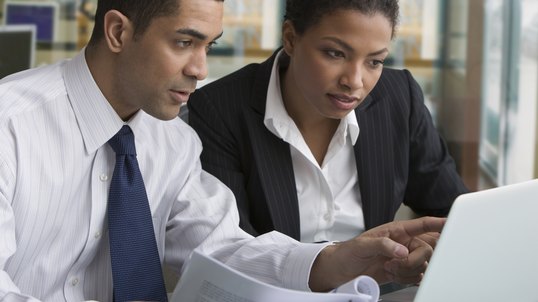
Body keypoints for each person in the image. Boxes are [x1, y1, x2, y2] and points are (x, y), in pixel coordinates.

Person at [0, 0, 445, 301]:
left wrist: (335, 259)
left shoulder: (172, 141)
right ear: (118, 31)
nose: (200, 69)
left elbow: (222, 250)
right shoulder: (10, 125)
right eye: (183, 42)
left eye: (208, 46)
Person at [188, 0, 469, 243]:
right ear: (291, 39)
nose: (354, 81)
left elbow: (453, 213)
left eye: (374, 62)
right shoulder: (219, 109)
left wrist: (422, 250)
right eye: (336, 54)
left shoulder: (400, 97)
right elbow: (232, 250)